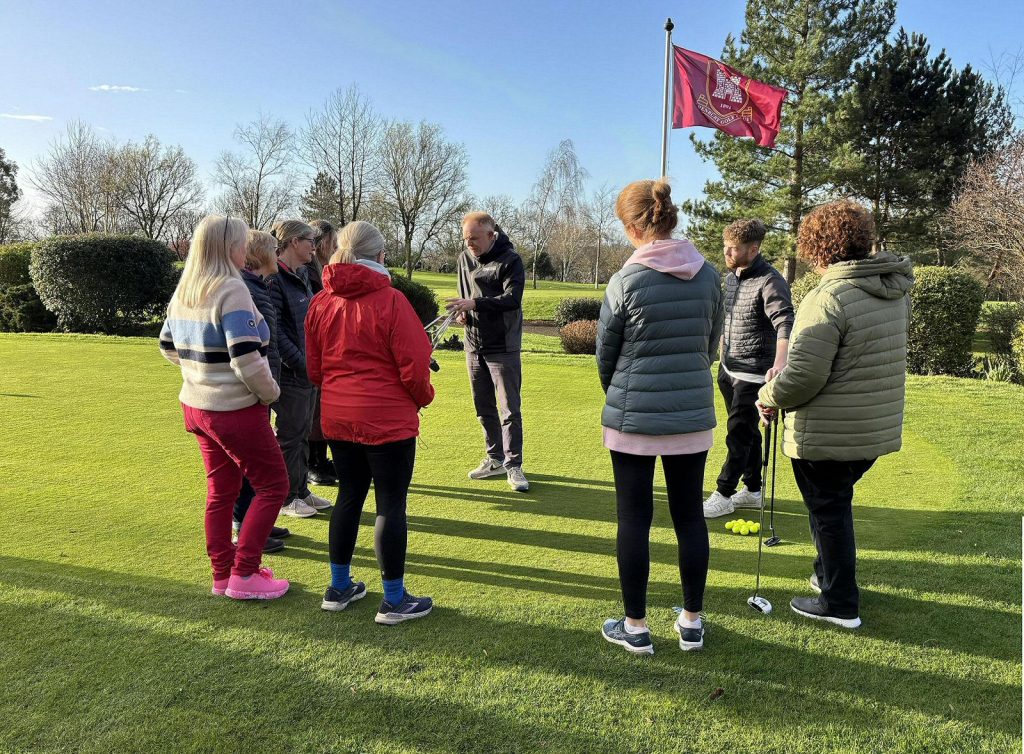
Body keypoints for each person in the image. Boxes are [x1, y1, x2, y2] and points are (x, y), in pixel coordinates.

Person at [757, 200, 913, 629]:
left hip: (829, 432)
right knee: (832, 506)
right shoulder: (890, 288)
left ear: (817, 246)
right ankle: (828, 575)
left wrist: (768, 395)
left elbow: (804, 377)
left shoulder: (829, 296)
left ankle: (840, 603)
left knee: (829, 510)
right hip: (870, 429)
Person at [596, 179, 723, 654]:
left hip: (634, 416)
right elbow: (709, 345)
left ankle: (636, 627)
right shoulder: (709, 276)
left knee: (634, 519)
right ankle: (691, 622)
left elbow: (606, 354)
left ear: (633, 226)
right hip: (691, 414)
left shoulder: (626, 279)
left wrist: (622, 393)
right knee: (689, 517)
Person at [305, 220, 436, 624]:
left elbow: (315, 369)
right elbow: (414, 367)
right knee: (390, 504)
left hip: (339, 415)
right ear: (379, 255)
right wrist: (424, 397)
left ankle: (339, 585)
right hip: (386, 418)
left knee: (349, 495)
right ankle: (394, 599)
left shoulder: (321, 302)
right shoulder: (391, 300)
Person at [159, 214, 290, 600]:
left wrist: (201, 371)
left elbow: (167, 346)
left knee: (222, 491)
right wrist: (271, 394)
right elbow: (246, 358)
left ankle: (223, 574)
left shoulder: (187, 288)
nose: (244, 250)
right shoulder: (231, 289)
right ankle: (244, 573)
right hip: (233, 408)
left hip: (196, 405)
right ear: (229, 247)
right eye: (241, 244)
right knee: (274, 485)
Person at [703, 219, 794, 518]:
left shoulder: (771, 280)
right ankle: (753, 490)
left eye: (734, 248)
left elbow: (784, 323)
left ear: (753, 249)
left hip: (754, 374)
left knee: (738, 435)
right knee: (749, 434)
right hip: (729, 369)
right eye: (725, 246)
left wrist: (780, 364)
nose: (727, 252)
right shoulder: (733, 277)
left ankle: (724, 493)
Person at [447, 211, 529, 492]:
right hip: (473, 344)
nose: (469, 244)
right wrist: (462, 312)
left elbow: (512, 299)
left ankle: (514, 464)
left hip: (503, 345)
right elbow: (465, 294)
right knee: (483, 407)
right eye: (465, 239)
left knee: (509, 410)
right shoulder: (464, 258)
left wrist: (475, 304)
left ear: (491, 235)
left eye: (474, 238)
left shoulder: (510, 260)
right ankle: (495, 458)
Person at [267, 220, 333, 518]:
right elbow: (276, 332)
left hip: (308, 369)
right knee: (290, 435)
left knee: (304, 431)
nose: (314, 247)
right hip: (291, 372)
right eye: (309, 241)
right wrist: (301, 362)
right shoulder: (275, 279)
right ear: (294, 242)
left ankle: (301, 490)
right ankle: (286, 497)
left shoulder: (304, 274)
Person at [231, 230, 291, 553]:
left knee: (254, 464)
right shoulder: (245, 289)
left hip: (264, 383)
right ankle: (245, 527)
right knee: (251, 464)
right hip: (253, 388)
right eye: (273, 248)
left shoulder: (258, 285)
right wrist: (266, 387)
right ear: (258, 254)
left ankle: (255, 522)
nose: (277, 253)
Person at [305, 219, 339, 486]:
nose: (335, 247)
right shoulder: (309, 271)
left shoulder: (325, 270)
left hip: (326, 346)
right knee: (313, 410)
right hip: (312, 346)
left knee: (322, 408)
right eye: (331, 242)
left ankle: (320, 458)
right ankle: (311, 463)